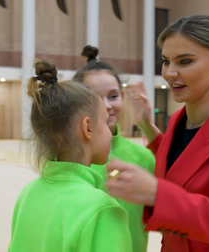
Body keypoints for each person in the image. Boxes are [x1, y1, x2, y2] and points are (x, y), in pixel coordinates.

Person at [105, 15, 209, 252]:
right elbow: (186, 162)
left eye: (185, 62)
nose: (170, 73)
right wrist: (147, 127)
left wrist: (156, 193)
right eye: (166, 61)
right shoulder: (177, 120)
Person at [8, 60, 132, 252]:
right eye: (105, 124)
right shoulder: (102, 209)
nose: (110, 133)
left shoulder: (27, 193)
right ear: (88, 128)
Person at [73, 46, 156, 252]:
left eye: (113, 96)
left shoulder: (143, 157)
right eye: (95, 98)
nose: (107, 106)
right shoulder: (70, 158)